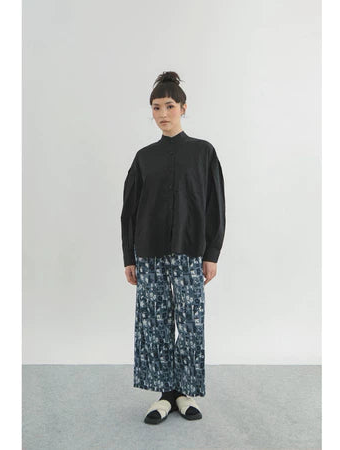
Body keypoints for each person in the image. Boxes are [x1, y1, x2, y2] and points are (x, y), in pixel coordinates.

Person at [121, 71, 226, 425]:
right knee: (155, 325)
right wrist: (129, 257)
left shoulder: (203, 152)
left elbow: (215, 206)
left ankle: (185, 392)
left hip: (190, 252)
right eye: (156, 107)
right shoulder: (144, 157)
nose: (163, 113)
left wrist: (211, 254)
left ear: (183, 107)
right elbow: (129, 211)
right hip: (149, 255)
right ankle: (165, 394)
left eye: (169, 106)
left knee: (191, 323)